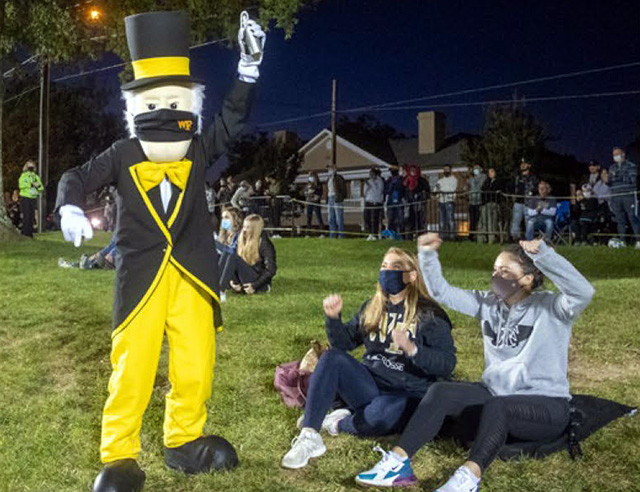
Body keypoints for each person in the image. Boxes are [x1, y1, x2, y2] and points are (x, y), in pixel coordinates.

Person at [55, 11, 266, 489]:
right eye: (157, 102)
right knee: (133, 367)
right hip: (142, 281)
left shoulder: (198, 148)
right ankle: (119, 455)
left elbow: (233, 118)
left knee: (196, 361)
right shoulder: (122, 154)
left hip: (193, 274)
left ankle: (184, 441)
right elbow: (77, 177)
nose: (167, 113)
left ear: (190, 104)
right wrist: (68, 206)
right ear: (135, 108)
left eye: (177, 102)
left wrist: (248, 69)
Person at [355, 233, 594, 491]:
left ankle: (468, 478)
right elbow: (442, 292)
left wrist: (544, 256)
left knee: (499, 407)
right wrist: (426, 254)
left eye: (504, 271)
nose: (496, 276)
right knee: (441, 390)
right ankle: (398, 463)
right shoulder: (488, 304)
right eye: (494, 269)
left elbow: (583, 291)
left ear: (527, 278)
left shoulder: (553, 307)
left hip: (545, 404)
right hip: (494, 393)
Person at [281, 247, 456, 470]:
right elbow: (344, 345)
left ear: (412, 276)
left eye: (395, 267)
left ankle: (338, 423)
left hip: (406, 392)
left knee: (381, 414)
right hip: (370, 384)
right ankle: (309, 436)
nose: (387, 271)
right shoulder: (372, 307)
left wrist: (413, 349)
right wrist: (333, 319)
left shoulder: (430, 314)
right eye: (384, 266)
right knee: (332, 358)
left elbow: (447, 364)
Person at [228, 214, 277, 294]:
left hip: (258, 281)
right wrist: (232, 281)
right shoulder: (239, 237)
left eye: (248, 227)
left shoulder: (264, 243)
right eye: (244, 226)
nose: (244, 230)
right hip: (242, 276)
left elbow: (271, 269)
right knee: (224, 255)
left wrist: (254, 285)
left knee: (234, 258)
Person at [604, 147, 640, 248]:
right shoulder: (612, 167)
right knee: (619, 219)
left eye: (617, 154)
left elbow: (631, 180)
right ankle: (622, 241)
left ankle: (638, 241)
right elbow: (610, 183)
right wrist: (606, 180)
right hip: (616, 196)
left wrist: (616, 176)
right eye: (614, 155)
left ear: (623, 154)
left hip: (628, 195)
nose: (615, 156)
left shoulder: (631, 166)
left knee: (633, 217)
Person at [510, 160, 539, 241]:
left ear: (528, 165)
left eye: (524, 164)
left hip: (528, 203)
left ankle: (529, 239)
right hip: (518, 202)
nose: (522, 165)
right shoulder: (517, 177)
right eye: (521, 164)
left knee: (528, 222)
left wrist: (531, 193)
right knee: (515, 221)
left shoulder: (533, 177)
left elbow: (536, 188)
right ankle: (515, 238)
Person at [18, 160, 44, 237]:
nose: (31, 167)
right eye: (29, 166)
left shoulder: (36, 177)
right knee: (26, 215)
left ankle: (30, 233)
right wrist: (30, 184)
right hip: (25, 197)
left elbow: (41, 187)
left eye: (32, 166)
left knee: (31, 216)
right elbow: (21, 185)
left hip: (33, 198)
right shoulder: (23, 176)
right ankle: (25, 233)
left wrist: (38, 186)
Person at [403, 164, 430, 238]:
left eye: (414, 170)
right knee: (410, 220)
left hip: (419, 204)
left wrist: (422, 197)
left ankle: (420, 235)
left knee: (420, 220)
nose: (412, 172)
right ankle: (410, 235)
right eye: (411, 170)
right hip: (410, 204)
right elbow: (404, 190)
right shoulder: (406, 180)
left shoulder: (422, 181)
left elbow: (427, 191)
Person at [477, 167, 503, 244]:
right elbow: (483, 191)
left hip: (494, 203)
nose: (490, 173)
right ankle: (483, 239)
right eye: (489, 172)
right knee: (483, 221)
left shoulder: (498, 181)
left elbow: (497, 191)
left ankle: (491, 239)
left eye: (492, 172)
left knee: (492, 222)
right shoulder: (486, 182)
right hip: (485, 204)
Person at [435, 165, 458, 240]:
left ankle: (452, 236)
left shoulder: (454, 179)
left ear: (450, 170)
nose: (446, 171)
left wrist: (442, 190)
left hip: (449, 201)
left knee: (450, 220)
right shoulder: (440, 180)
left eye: (447, 169)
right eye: (444, 169)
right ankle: (443, 236)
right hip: (441, 201)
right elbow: (436, 189)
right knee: (442, 220)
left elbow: (451, 189)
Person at [364, 167, 385, 240]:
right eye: (370, 174)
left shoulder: (379, 181)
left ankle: (375, 234)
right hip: (368, 201)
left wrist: (372, 184)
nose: (370, 175)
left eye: (372, 174)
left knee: (374, 218)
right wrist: (367, 186)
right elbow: (365, 192)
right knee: (367, 218)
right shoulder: (368, 181)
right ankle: (370, 233)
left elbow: (378, 191)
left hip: (376, 202)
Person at [467, 164, 487, 241]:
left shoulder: (483, 177)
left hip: (479, 201)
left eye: (477, 168)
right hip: (472, 202)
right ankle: (471, 236)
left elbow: (482, 185)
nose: (476, 170)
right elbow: (467, 186)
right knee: (472, 220)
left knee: (480, 220)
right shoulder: (471, 179)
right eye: (474, 168)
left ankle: (480, 236)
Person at [326, 164, 346, 239]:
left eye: (330, 169)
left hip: (337, 198)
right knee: (331, 218)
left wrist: (340, 197)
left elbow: (343, 189)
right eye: (328, 169)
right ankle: (332, 234)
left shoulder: (339, 178)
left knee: (339, 218)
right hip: (330, 197)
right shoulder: (328, 178)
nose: (329, 170)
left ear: (335, 169)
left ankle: (341, 235)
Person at [385, 167, 405, 235]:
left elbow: (403, 189)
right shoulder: (389, 180)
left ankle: (401, 234)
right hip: (391, 202)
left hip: (399, 201)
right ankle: (391, 234)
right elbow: (386, 191)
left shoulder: (401, 179)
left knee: (400, 219)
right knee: (391, 219)